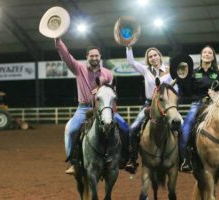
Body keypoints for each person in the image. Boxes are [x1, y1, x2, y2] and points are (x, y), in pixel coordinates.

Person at [55, 38, 129, 175]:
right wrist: (58, 40)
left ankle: (125, 158)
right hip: (84, 108)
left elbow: (113, 93)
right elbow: (66, 56)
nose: (94, 58)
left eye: (96, 55)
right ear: (87, 57)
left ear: (100, 57)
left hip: (105, 108)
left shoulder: (108, 74)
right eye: (91, 55)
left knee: (125, 127)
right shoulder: (78, 68)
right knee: (71, 130)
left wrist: (103, 92)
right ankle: (73, 162)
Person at [124, 46, 179, 174]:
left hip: (166, 105)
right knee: (133, 129)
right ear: (148, 60)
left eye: (155, 55)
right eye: (150, 57)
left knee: (180, 125)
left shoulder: (170, 71)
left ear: (160, 56)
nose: (153, 58)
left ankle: (182, 158)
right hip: (148, 106)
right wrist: (129, 46)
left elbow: (175, 89)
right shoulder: (145, 70)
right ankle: (132, 159)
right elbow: (131, 62)